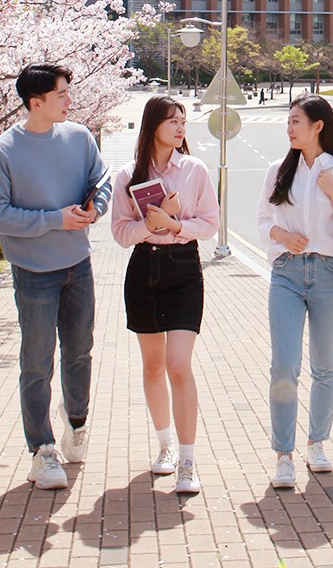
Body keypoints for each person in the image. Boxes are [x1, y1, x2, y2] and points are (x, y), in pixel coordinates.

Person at [0, 64, 111, 491]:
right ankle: (42, 450)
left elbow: (102, 180)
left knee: (80, 351)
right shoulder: (2, 152)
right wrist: (55, 219)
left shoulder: (80, 137)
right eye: (61, 94)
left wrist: (96, 208)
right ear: (36, 103)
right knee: (37, 362)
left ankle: (77, 422)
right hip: (34, 271)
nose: (69, 100)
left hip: (78, 265)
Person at [256, 94, 333, 489]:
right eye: (288, 121)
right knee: (284, 366)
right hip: (287, 273)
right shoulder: (278, 170)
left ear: (318, 126)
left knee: (325, 367)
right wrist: (283, 235)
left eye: (296, 122)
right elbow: (262, 220)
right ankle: (283, 454)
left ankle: (316, 444)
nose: (289, 128)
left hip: (329, 275)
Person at [111, 95, 219, 495]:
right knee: (153, 366)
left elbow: (210, 224)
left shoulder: (194, 169)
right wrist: (151, 225)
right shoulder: (127, 175)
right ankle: (165, 446)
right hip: (144, 269)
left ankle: (188, 461)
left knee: (178, 365)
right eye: (172, 121)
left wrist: (173, 225)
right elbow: (120, 233)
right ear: (152, 125)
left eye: (182, 122)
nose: (179, 128)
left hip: (184, 269)